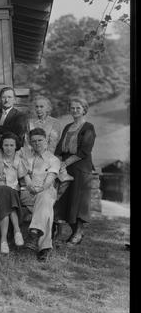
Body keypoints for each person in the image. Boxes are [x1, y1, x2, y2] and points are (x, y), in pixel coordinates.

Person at [54, 97, 96, 245]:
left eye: (78, 108)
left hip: (80, 168)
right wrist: (57, 162)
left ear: (84, 109)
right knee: (65, 199)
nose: (75, 110)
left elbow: (84, 151)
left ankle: (78, 233)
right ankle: (69, 232)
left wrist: (65, 162)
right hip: (66, 166)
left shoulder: (88, 127)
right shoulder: (67, 127)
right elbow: (59, 148)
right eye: (72, 108)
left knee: (77, 201)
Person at [0, 132, 26, 253]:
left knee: (7, 195)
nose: (8, 148)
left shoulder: (19, 161)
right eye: (6, 145)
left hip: (11, 195)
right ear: (1, 146)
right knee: (7, 191)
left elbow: (22, 182)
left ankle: (3, 241)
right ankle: (17, 231)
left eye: (11, 145)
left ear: (16, 146)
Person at [23, 128, 61, 261]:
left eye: (40, 140)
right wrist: (30, 186)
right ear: (30, 142)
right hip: (28, 191)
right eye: (33, 141)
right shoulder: (26, 157)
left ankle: (34, 235)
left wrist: (40, 189)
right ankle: (44, 246)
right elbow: (25, 175)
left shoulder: (53, 159)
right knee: (46, 209)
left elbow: (49, 180)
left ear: (46, 141)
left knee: (44, 198)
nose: (37, 143)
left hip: (46, 190)